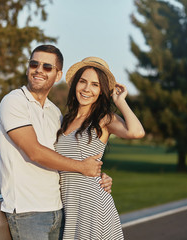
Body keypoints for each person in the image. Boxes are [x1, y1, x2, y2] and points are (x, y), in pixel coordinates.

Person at [0, 45, 113, 240]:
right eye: (34, 64)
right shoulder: (14, 101)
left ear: (57, 75)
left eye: (47, 67)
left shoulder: (55, 113)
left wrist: (97, 175)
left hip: (58, 209)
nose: (39, 70)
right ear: (28, 68)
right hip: (28, 211)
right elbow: (34, 152)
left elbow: (66, 155)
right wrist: (83, 168)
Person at [55, 57, 145, 239]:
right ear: (75, 85)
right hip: (70, 207)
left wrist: (120, 102)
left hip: (93, 207)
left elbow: (136, 132)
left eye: (95, 85)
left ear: (101, 90)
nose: (87, 89)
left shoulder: (103, 118)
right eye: (83, 82)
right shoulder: (63, 120)